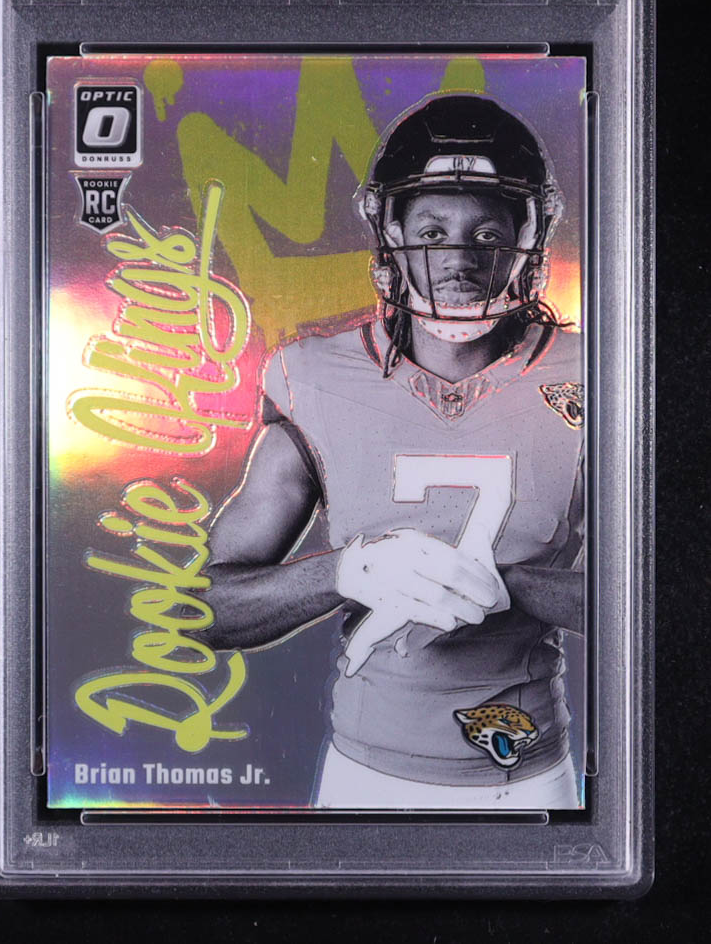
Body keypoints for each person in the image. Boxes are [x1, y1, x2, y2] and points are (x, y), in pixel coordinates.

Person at [204, 94, 585, 809]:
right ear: (392, 234)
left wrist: (512, 586)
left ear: (526, 238)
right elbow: (205, 610)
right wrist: (349, 571)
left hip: (531, 774)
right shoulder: (314, 375)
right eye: (432, 230)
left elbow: (667, 599)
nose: (459, 259)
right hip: (363, 774)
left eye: (487, 233)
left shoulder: (597, 374)